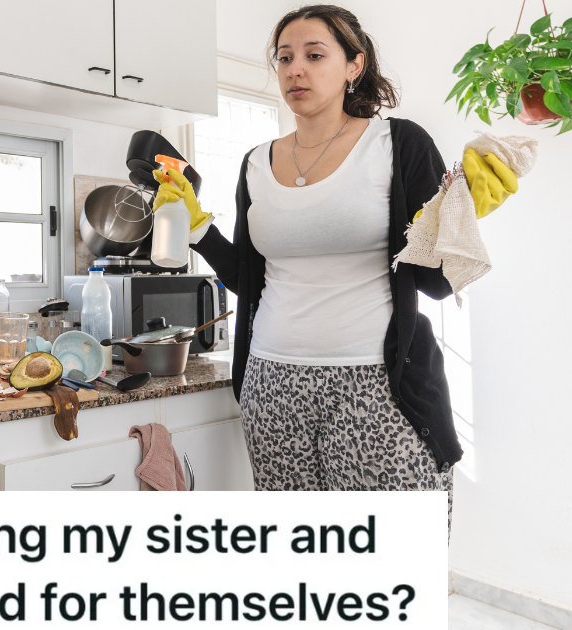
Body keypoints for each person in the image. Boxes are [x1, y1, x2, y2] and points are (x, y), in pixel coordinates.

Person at [153, 5, 509, 508]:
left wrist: (461, 217)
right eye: (284, 58)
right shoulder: (256, 162)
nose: (295, 69)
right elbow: (248, 279)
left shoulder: (397, 145)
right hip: (272, 383)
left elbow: (433, 281)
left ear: (353, 66)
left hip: (379, 385)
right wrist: (196, 228)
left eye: (314, 54)